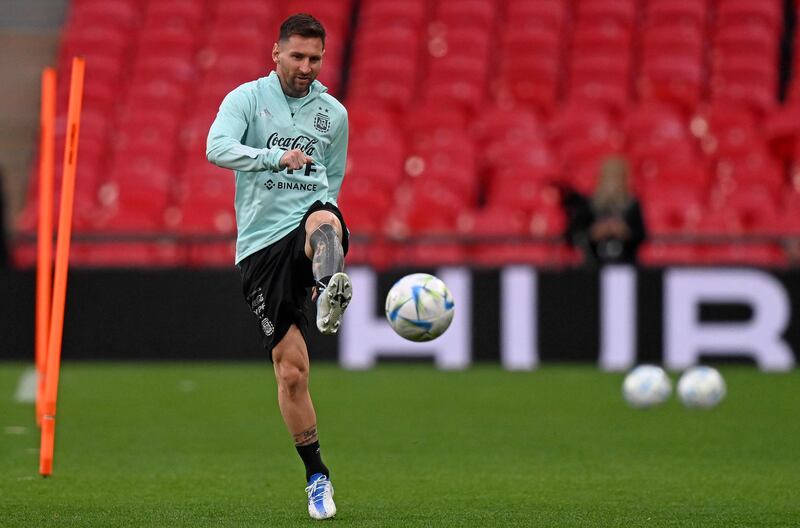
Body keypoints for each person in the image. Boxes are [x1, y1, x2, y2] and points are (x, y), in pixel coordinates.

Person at [206, 13, 350, 520]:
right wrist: (272, 158)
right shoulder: (245, 99)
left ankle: (328, 281)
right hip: (260, 247)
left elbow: (331, 179)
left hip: (307, 221)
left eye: (315, 58)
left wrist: (322, 210)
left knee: (325, 220)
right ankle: (316, 475)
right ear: (277, 53)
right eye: (298, 56)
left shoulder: (333, 114)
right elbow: (216, 147)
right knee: (291, 373)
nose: (307, 66)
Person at [564, 155, 647, 265]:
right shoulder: (588, 205)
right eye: (609, 178)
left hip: (626, 264)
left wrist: (625, 232)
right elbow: (573, 236)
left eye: (617, 178)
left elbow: (641, 235)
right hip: (593, 265)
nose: (613, 184)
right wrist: (593, 233)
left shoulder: (632, 205)